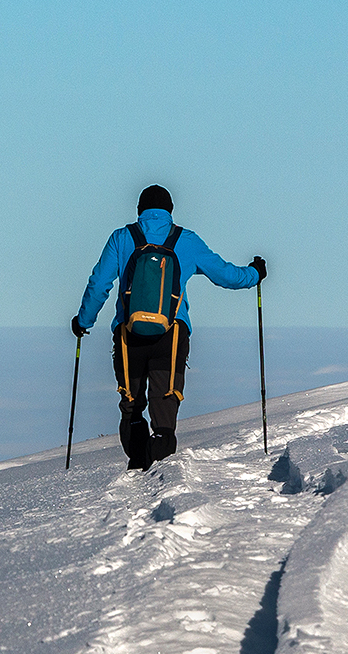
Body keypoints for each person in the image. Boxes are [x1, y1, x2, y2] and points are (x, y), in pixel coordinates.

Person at [71, 185, 266, 471]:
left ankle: (139, 466)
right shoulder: (185, 240)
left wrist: (83, 321)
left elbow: (99, 284)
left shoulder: (122, 238)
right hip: (171, 335)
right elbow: (226, 275)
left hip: (128, 336)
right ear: (170, 211)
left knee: (132, 406)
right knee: (165, 406)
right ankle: (160, 466)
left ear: (139, 210)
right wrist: (255, 274)